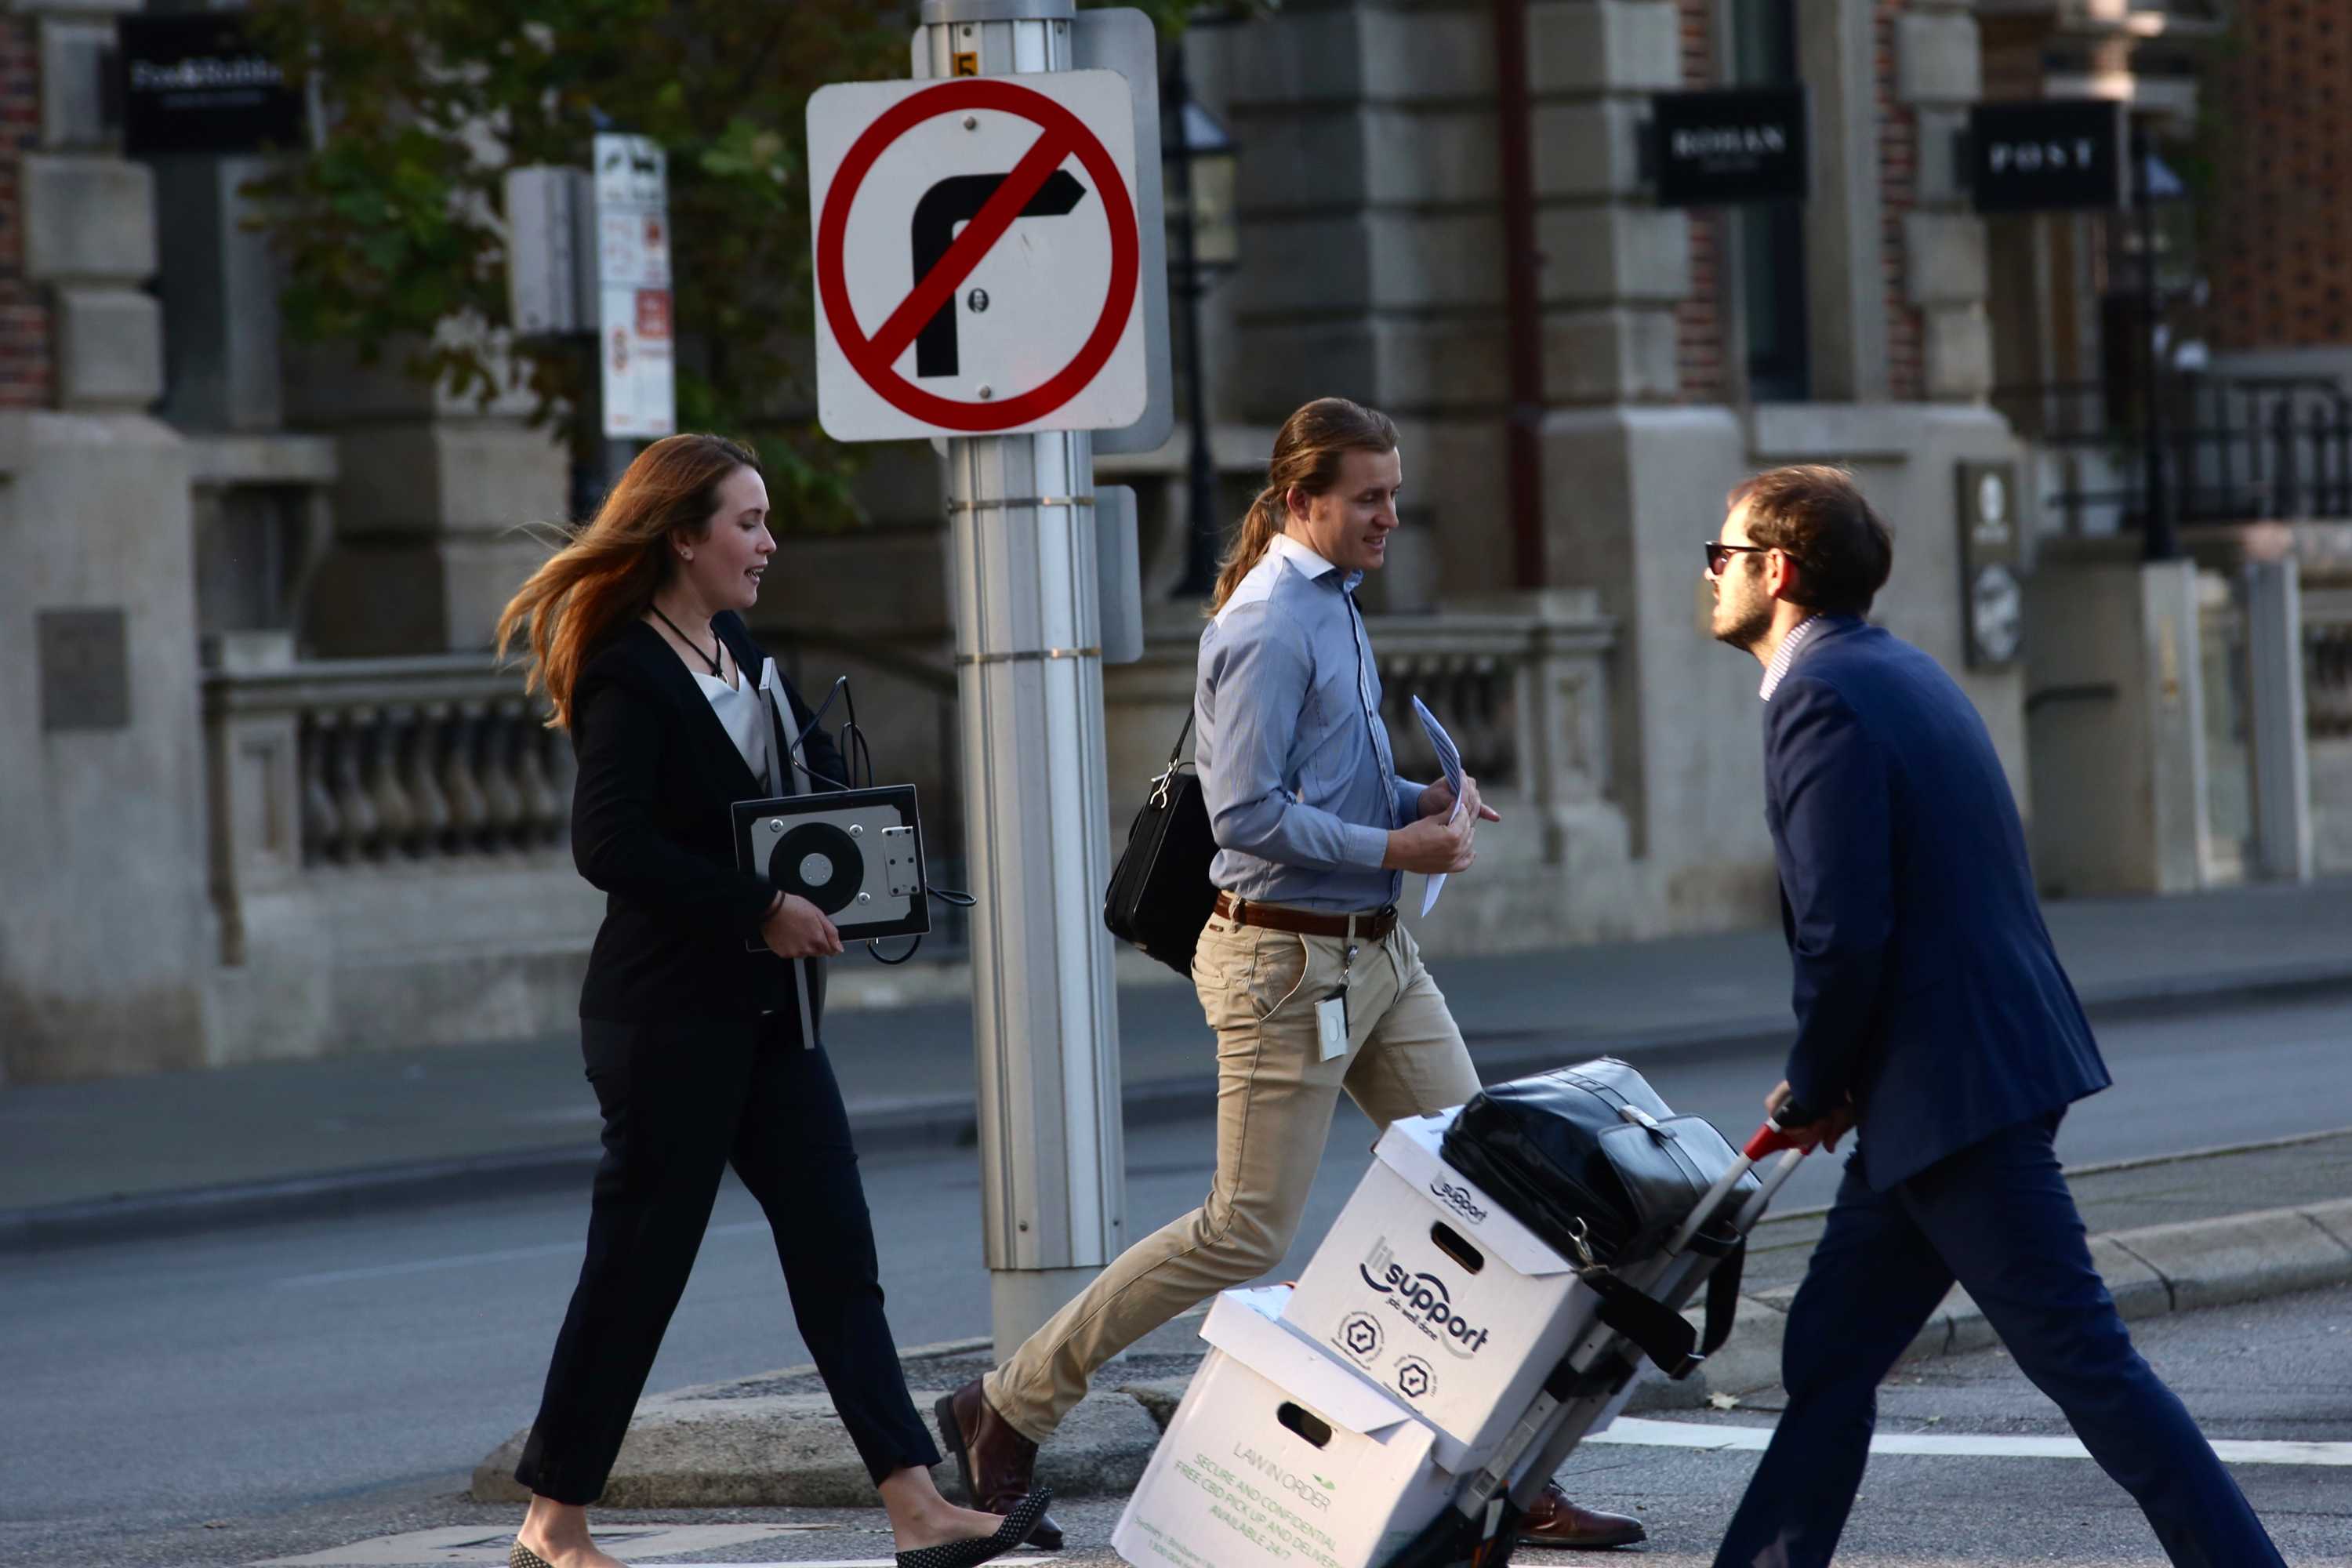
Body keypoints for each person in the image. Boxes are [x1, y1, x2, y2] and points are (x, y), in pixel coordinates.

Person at [934, 397, 1648, 1553]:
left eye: (1394, 493)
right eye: (1368, 497)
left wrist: (1421, 801)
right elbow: (1251, 817)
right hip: (1283, 961)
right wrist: (1398, 849)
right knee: (1243, 1233)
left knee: (1500, 1197)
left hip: (1378, 957)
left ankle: (1503, 1483)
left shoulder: (1333, 603)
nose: (1390, 516)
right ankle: (1006, 1404)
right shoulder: (1266, 624)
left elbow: (1323, 786)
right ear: (1303, 500)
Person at [1703, 464, 2285, 1568]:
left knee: (2085, 1363)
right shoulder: (1896, 669)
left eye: (1722, 555)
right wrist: (1839, 1085)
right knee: (1832, 1349)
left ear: (1777, 572)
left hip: (1955, 1093)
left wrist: (1821, 1082)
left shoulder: (1821, 697)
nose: (1712, 575)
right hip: (1952, 1080)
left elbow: (1846, 931)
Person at [492, 434, 1047, 1568]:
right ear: (683, 536)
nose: (768, 544)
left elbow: (779, 800)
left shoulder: (736, 645)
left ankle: (918, 1508)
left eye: (766, 520)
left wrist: (854, 846)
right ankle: (553, 1522)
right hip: (669, 1019)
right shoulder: (624, 668)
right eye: (746, 523)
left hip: (772, 1016)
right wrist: (754, 907)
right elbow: (610, 846)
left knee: (838, 1255)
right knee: (638, 1270)